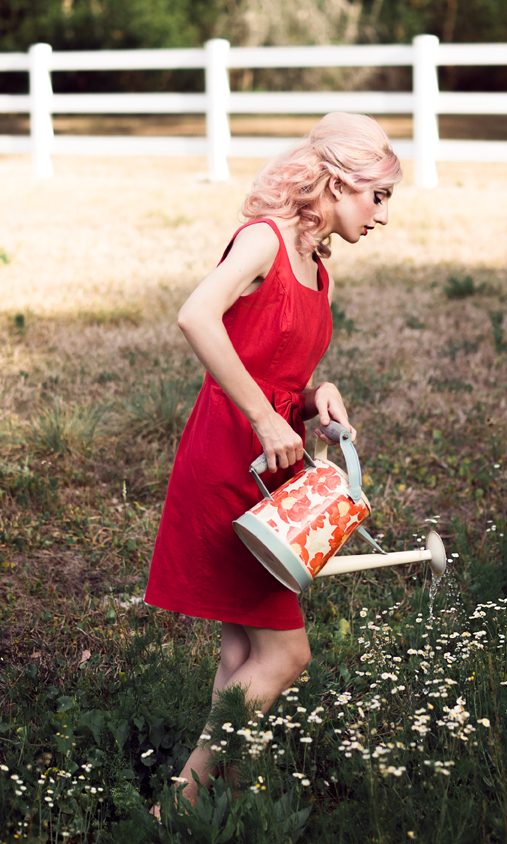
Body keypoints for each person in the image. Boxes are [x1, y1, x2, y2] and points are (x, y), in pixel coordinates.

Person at [144, 112, 402, 811]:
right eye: (376, 196)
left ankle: (213, 805)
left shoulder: (319, 269)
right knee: (287, 657)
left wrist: (319, 396)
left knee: (242, 656)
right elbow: (196, 315)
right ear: (338, 183)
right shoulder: (263, 240)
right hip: (230, 457)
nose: (382, 214)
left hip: (273, 467)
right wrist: (261, 415)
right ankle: (176, 811)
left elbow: (278, 365)